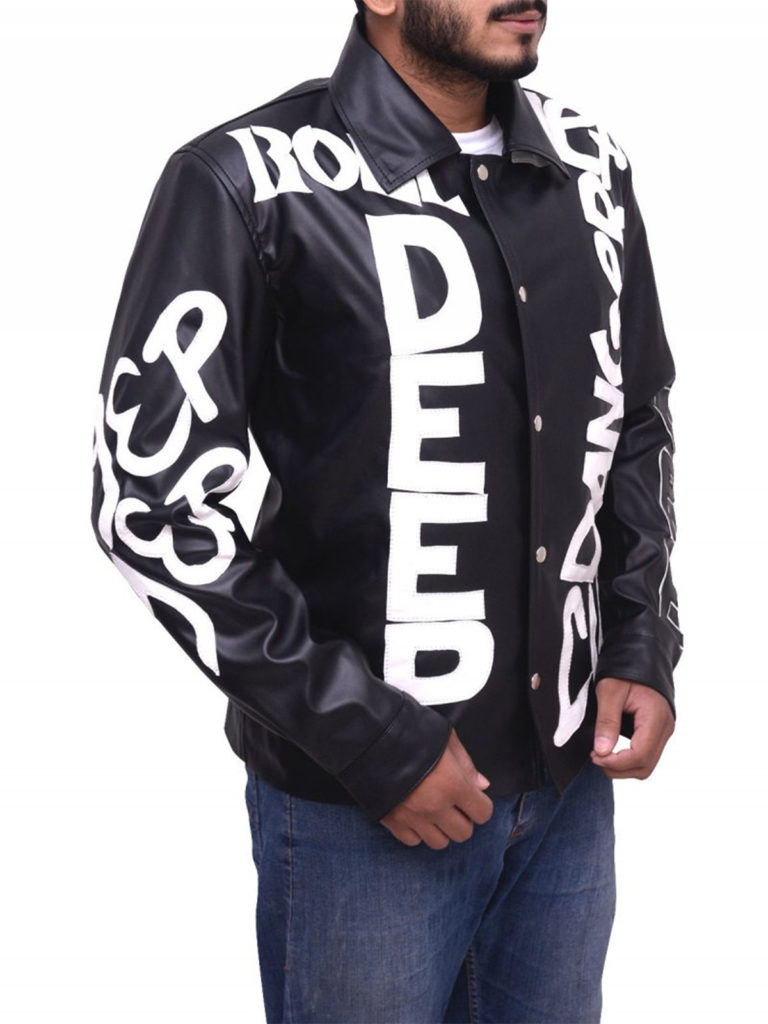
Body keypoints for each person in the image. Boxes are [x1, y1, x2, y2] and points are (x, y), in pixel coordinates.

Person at [91, 1, 684, 1020]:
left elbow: (634, 414)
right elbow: (153, 502)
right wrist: (370, 738)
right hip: (359, 816)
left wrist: (639, 637)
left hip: (569, 795)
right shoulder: (245, 181)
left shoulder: (589, 165)